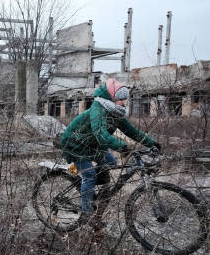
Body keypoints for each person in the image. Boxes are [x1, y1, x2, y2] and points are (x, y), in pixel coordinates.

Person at [61, 78, 161, 219]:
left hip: (93, 144)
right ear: (111, 97)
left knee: (111, 163)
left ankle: (88, 188)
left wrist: (152, 143)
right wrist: (122, 147)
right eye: (120, 99)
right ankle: (86, 212)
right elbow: (100, 134)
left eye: (125, 99)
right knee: (90, 176)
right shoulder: (98, 109)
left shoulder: (115, 111)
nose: (123, 102)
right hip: (76, 144)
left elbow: (131, 131)